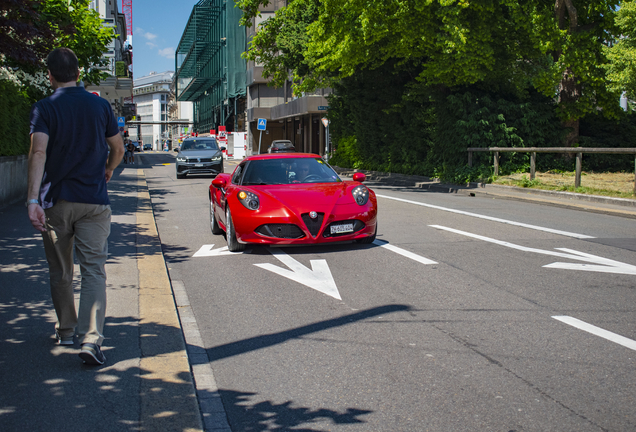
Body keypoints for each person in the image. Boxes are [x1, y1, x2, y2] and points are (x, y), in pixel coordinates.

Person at [27, 47, 125, 366]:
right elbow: (118, 147)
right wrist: (109, 168)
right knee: (93, 269)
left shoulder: (44, 108)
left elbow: (38, 153)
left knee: (61, 270)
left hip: (56, 202)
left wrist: (32, 200)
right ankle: (92, 338)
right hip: (93, 201)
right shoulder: (99, 105)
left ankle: (67, 330)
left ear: (50, 76)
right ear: (79, 73)